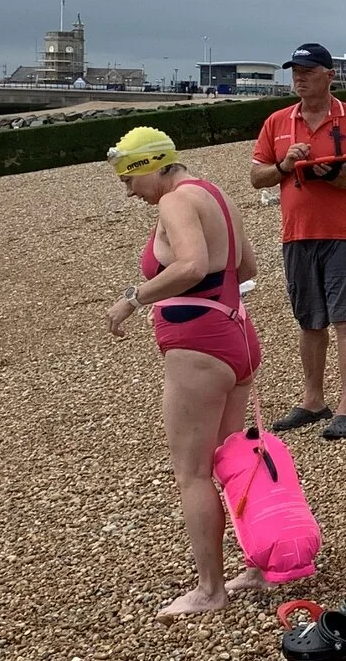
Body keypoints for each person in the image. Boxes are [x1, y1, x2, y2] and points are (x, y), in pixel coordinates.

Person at [101, 127, 265, 620]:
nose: (129, 192)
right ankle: (257, 567)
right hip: (236, 333)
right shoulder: (216, 195)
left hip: (199, 343)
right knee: (236, 460)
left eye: (129, 180)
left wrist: (132, 299)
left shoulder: (175, 201)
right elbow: (247, 268)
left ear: (151, 167)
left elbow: (192, 265)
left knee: (192, 472)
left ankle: (210, 589)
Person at [250, 44, 346, 441]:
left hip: (345, 233)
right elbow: (257, 177)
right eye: (296, 70)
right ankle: (313, 400)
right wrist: (285, 165)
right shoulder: (277, 121)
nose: (300, 77)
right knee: (309, 320)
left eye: (308, 71)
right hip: (297, 234)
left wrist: (345, 180)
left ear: (330, 75)